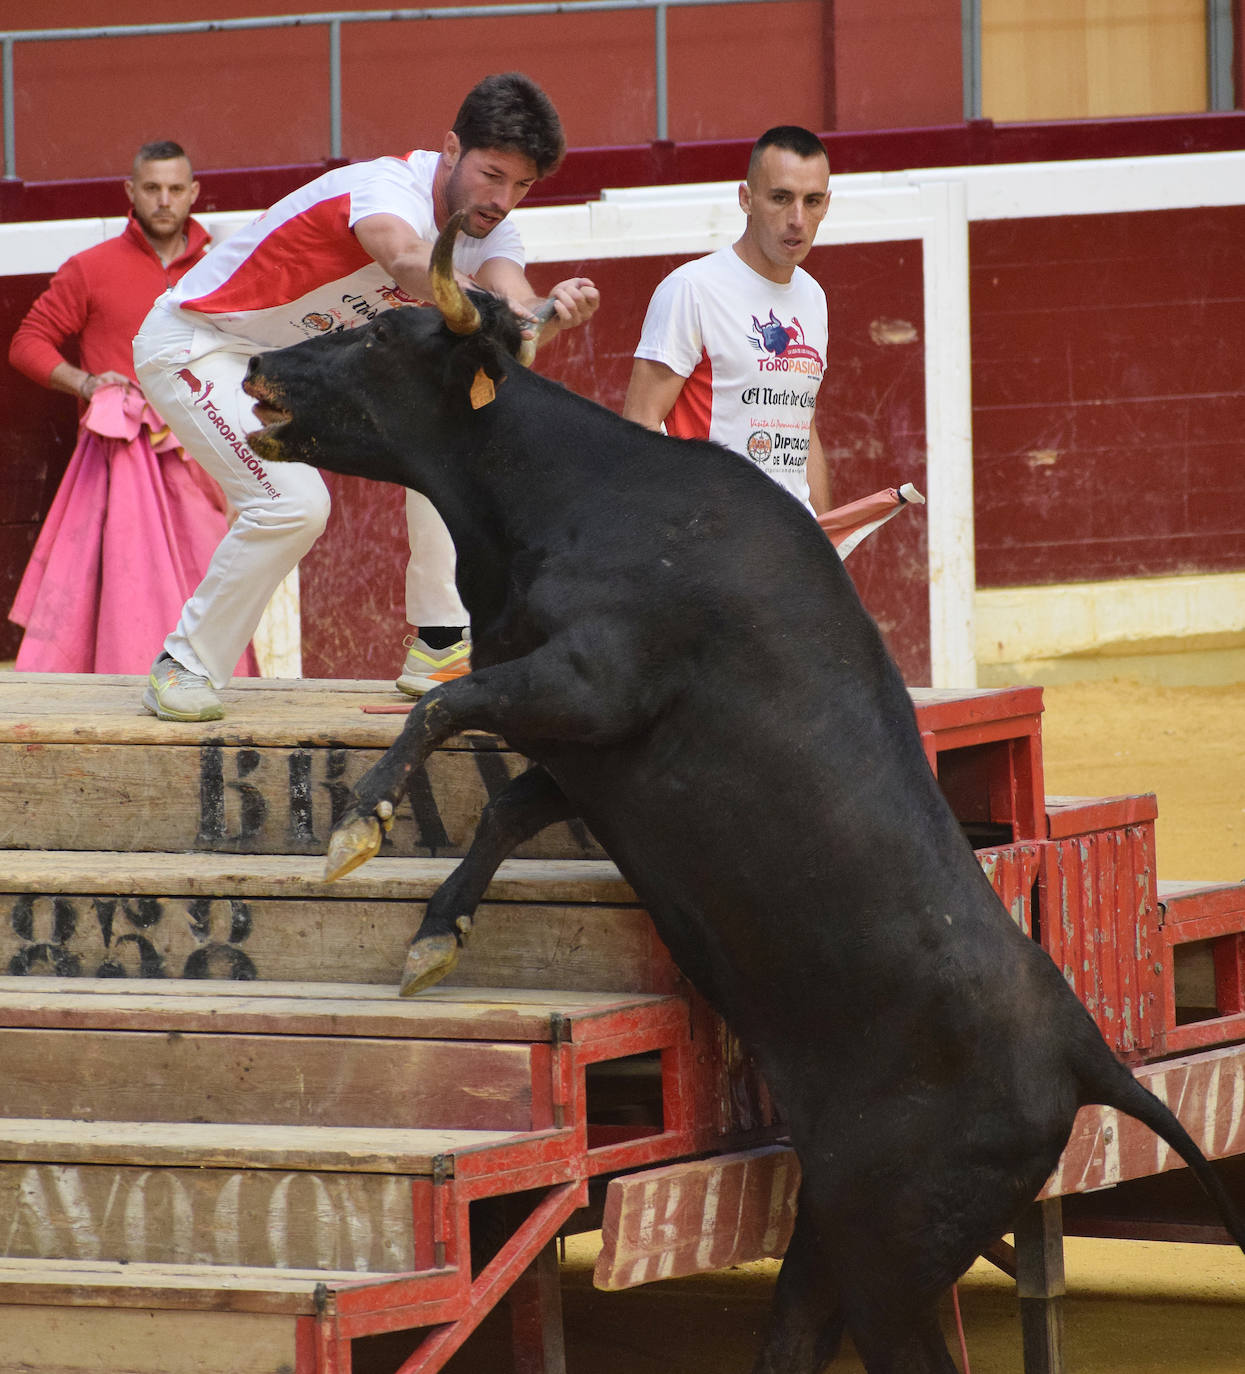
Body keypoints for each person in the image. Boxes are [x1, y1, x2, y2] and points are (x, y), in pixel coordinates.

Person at [133, 72, 598, 723]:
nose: (502, 200)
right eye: (492, 175)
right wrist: (484, 301)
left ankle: (439, 643)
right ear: (450, 148)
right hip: (199, 343)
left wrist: (542, 310)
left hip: (297, 370)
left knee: (455, 428)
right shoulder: (382, 187)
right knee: (292, 506)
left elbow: (512, 294)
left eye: (521, 185)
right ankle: (183, 665)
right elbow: (406, 255)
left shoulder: (494, 233)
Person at [7, 141, 254, 676]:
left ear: (193, 194)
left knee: (212, 596)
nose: (163, 200)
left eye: (174, 189)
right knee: (128, 608)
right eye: (151, 188)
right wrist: (90, 384)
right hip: (123, 464)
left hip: (206, 461)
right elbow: (28, 343)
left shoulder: (225, 269)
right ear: (131, 193)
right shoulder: (90, 269)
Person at [622, 125, 832, 517]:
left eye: (813, 200)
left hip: (789, 549)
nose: (798, 219)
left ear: (827, 204)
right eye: (781, 198)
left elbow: (803, 425)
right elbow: (640, 425)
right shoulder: (692, 290)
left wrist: (823, 538)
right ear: (746, 199)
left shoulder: (814, 298)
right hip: (714, 547)